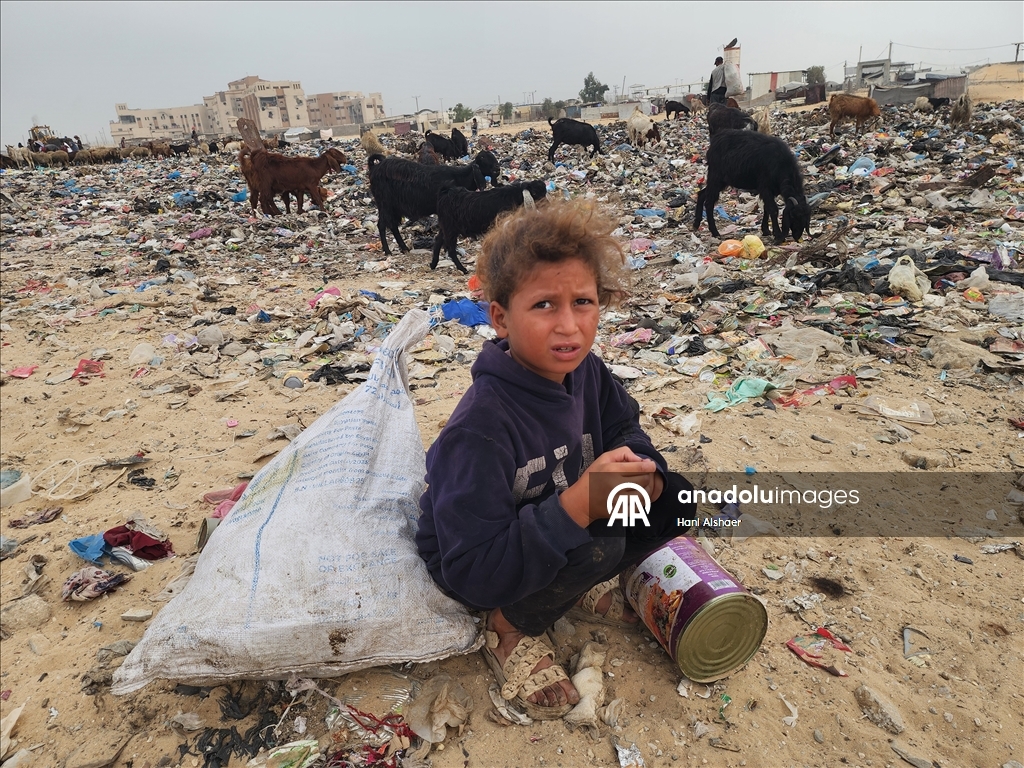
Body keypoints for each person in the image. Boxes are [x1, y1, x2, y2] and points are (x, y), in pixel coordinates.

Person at [416, 198, 694, 720]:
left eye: (583, 302)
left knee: (676, 504)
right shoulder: (480, 428)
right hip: (476, 561)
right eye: (544, 305)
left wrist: (645, 473)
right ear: (500, 318)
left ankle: (571, 584)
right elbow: (471, 567)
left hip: (559, 515)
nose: (569, 326)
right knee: (602, 547)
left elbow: (624, 427)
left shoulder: (587, 373)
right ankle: (508, 628)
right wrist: (576, 508)